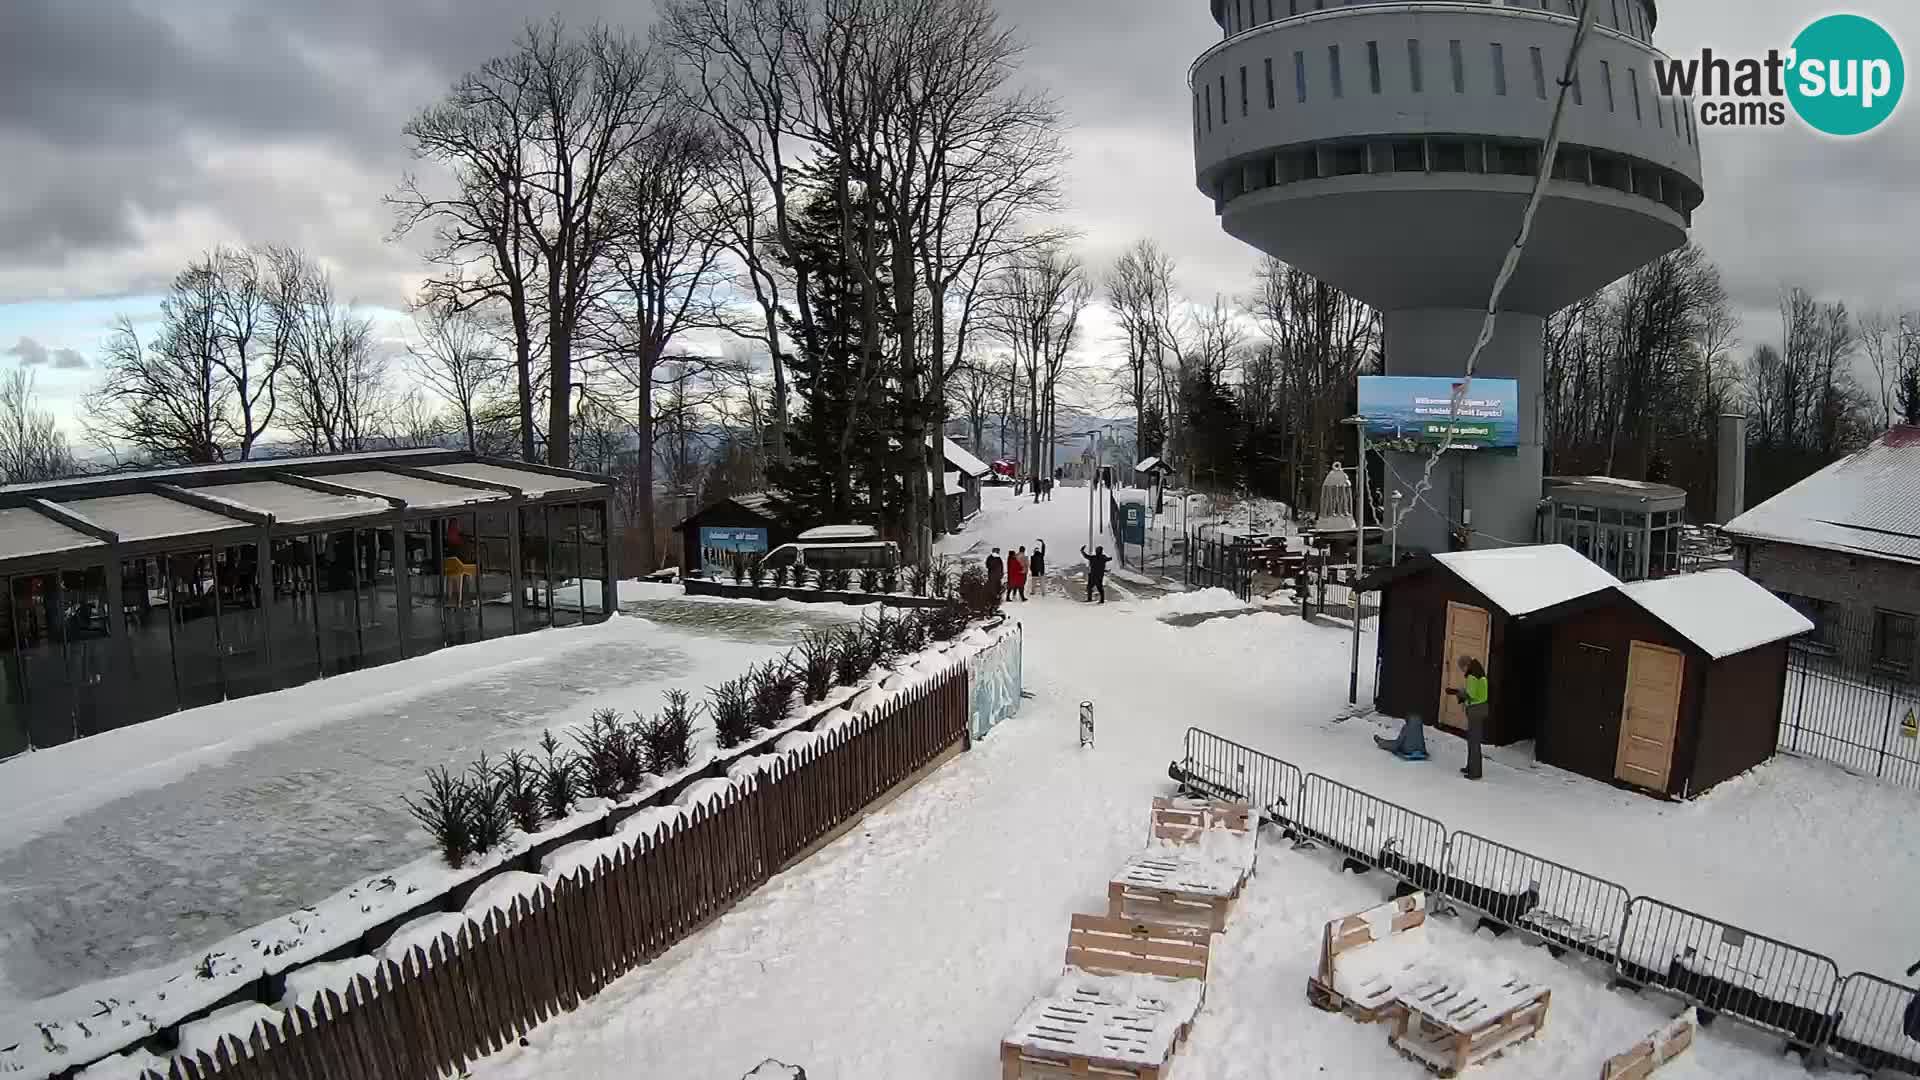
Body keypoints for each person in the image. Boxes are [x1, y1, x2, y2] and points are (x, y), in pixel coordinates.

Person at [1448, 656, 1489, 780]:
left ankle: (1475, 772)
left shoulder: (1472, 676)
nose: (1462, 670)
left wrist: (1458, 693)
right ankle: (1471, 767)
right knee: (1473, 740)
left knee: (1473, 742)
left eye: (1462, 668)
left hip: (1475, 710)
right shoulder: (1480, 674)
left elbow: (1471, 695)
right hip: (1481, 709)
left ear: (1466, 666)